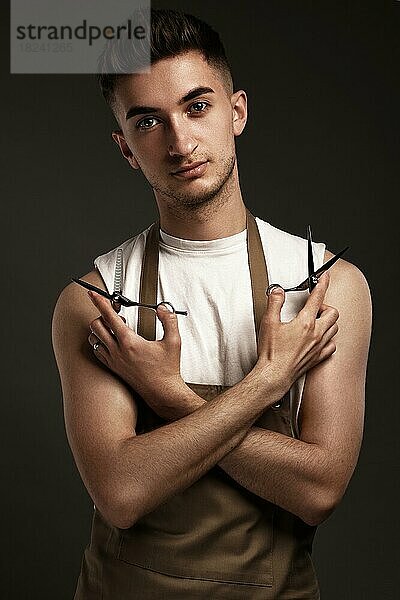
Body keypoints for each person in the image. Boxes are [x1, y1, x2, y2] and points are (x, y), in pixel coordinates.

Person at [52, 9, 372, 600]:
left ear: (237, 112)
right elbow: (121, 493)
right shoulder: (97, 300)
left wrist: (167, 395)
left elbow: (319, 490)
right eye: (149, 121)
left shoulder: (324, 284)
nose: (179, 141)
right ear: (125, 148)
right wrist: (266, 383)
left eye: (197, 107)